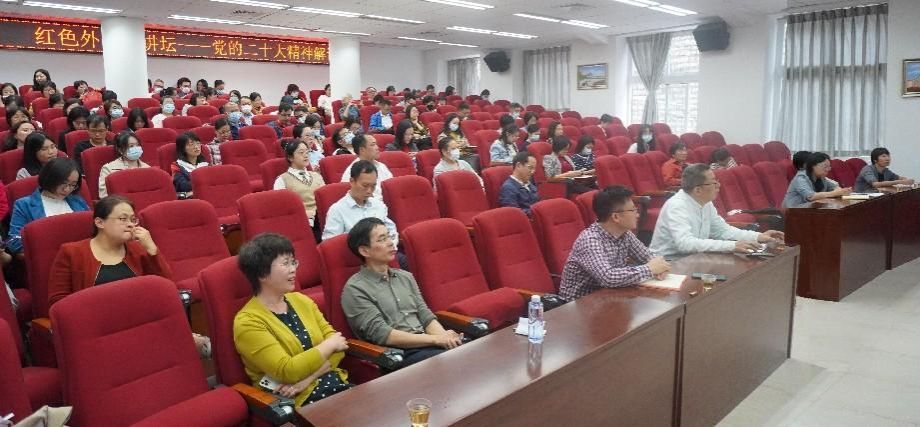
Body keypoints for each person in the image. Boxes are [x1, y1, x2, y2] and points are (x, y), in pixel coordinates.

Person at [234, 233, 351, 407]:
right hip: (294, 402)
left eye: (293, 262)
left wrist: (306, 380)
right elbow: (287, 371)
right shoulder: (248, 322)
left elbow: (339, 347)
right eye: (285, 263)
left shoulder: (301, 300)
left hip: (334, 384)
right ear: (262, 273)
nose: (293, 269)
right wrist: (329, 345)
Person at [342, 217, 462, 367]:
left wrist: (445, 338)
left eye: (389, 236)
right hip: (398, 354)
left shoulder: (405, 277)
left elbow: (424, 316)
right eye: (382, 239)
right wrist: (435, 340)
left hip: (427, 343)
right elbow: (383, 335)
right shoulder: (355, 289)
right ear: (364, 250)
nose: (390, 242)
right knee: (456, 362)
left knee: (469, 349)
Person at [46, 195, 171, 306]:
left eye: (133, 220)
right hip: (92, 320)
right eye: (123, 219)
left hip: (137, 316)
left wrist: (152, 249)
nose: (131, 224)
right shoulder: (72, 252)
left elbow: (166, 288)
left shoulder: (138, 249)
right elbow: (58, 302)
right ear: (100, 223)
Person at [559, 186, 670, 301]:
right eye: (633, 210)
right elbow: (608, 277)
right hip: (579, 304)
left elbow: (648, 256)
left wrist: (660, 267)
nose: (637, 215)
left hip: (609, 297)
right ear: (616, 217)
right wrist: (649, 269)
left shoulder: (625, 234)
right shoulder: (590, 240)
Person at [650, 163, 784, 257]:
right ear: (698, 190)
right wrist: (732, 246)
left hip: (693, 258)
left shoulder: (706, 203)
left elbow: (723, 231)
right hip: (669, 261)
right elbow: (685, 244)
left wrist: (758, 236)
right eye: (714, 182)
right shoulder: (677, 206)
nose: (718, 185)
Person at [7, 158, 89, 254]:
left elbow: (92, 229)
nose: (67, 189)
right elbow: (14, 241)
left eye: (72, 185)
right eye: (63, 183)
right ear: (50, 179)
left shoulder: (77, 201)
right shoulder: (24, 205)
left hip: (82, 253)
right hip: (49, 255)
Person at [324, 161, 398, 242]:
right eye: (365, 186)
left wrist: (391, 245)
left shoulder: (378, 205)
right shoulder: (337, 210)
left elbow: (391, 230)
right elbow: (330, 243)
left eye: (373, 186)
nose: (369, 191)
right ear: (352, 181)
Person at [274, 139, 326, 226]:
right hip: (302, 221)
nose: (306, 155)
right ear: (290, 157)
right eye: (301, 152)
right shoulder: (282, 180)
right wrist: (303, 213)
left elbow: (325, 199)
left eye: (307, 152)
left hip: (323, 218)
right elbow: (282, 207)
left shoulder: (316, 175)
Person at [782, 152, 852, 208]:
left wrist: (842, 191)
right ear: (813, 166)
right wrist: (836, 193)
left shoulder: (821, 177)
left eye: (829, 166)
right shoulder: (801, 178)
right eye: (825, 167)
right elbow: (811, 196)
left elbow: (834, 187)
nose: (828, 169)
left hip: (812, 210)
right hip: (793, 212)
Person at [339, 134, 393, 199]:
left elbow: (392, 187)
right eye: (373, 145)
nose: (377, 147)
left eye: (376, 144)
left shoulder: (381, 166)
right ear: (362, 150)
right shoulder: (351, 172)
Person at [98, 132, 151, 198]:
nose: (136, 148)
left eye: (137, 145)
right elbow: (104, 196)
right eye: (131, 146)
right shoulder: (108, 169)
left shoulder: (148, 168)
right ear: (120, 150)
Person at [498, 151, 539, 216]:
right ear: (518, 165)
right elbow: (513, 213)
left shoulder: (530, 184)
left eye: (534, 169)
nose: (533, 172)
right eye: (530, 167)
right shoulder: (508, 188)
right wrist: (538, 212)